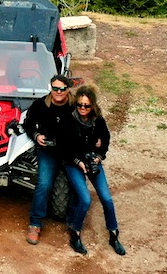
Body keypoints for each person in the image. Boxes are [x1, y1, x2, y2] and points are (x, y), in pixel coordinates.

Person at [61, 84, 125, 256]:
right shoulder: (69, 120)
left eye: (86, 105)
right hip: (73, 162)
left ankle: (113, 234)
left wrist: (99, 156)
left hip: (92, 161)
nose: (82, 108)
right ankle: (75, 234)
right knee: (85, 199)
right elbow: (65, 148)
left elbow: (105, 139)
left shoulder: (98, 120)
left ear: (93, 106)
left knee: (106, 198)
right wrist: (78, 161)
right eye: (80, 105)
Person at [22, 73, 75, 245]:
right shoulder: (40, 104)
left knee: (78, 183)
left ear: (68, 89)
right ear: (50, 88)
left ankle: (74, 223)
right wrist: (36, 135)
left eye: (62, 89)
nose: (58, 92)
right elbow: (28, 123)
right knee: (43, 183)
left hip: (70, 152)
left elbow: (91, 122)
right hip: (48, 151)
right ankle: (35, 224)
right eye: (55, 88)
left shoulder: (76, 105)